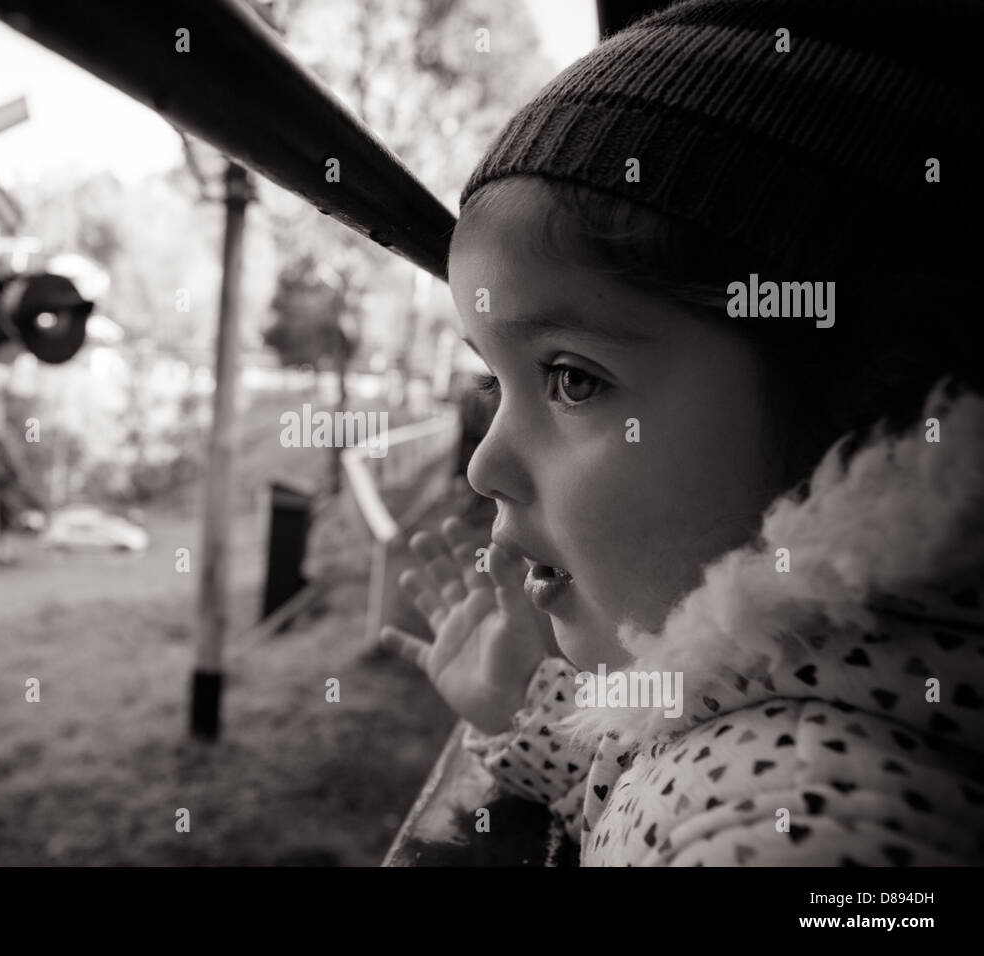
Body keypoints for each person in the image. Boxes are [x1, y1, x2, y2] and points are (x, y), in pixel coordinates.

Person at [380, 0, 983, 865]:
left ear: (859, 404)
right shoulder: (753, 683)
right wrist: (513, 702)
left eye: (571, 379)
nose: (483, 467)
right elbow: (633, 759)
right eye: (491, 380)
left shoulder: (796, 815)